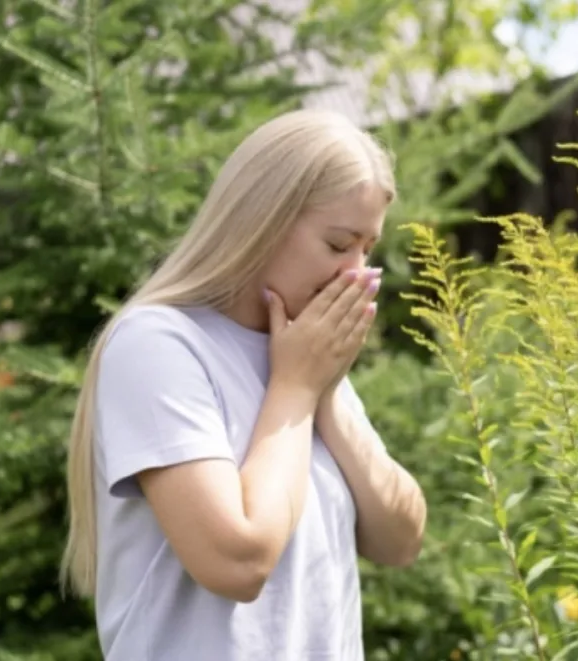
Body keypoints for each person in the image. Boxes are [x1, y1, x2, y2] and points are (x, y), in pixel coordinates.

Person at [58, 109, 428, 660]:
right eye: (337, 244)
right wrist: (298, 390)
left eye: (367, 250)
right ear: (262, 219)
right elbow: (238, 561)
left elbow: (401, 538)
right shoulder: (158, 344)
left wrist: (321, 392)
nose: (355, 274)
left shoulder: (300, 354)